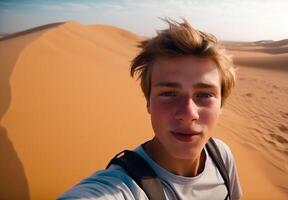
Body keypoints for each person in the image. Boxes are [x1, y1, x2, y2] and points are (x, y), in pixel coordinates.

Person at [58, 18, 242, 200]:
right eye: (169, 93)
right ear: (148, 102)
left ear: (221, 105)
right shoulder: (122, 188)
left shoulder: (221, 156)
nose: (188, 115)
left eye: (204, 95)